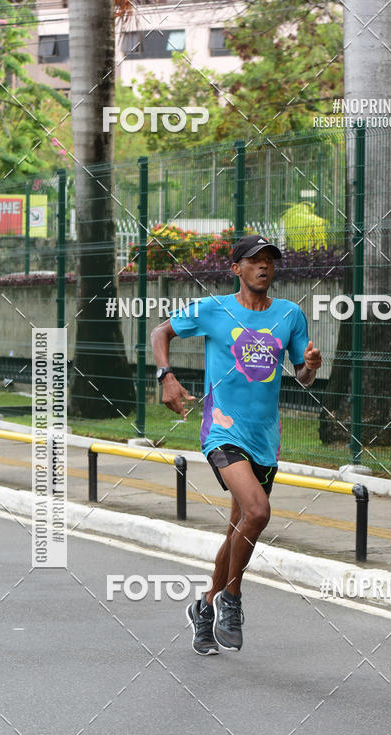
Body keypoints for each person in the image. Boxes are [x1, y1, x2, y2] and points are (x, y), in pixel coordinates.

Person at [151, 234, 322, 655]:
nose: (263, 266)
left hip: (265, 439)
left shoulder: (289, 315)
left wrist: (311, 367)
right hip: (223, 431)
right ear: (236, 269)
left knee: (238, 529)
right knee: (259, 512)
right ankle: (232, 598)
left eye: (269, 260)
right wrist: (166, 376)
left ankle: (205, 606)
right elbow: (161, 331)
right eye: (254, 260)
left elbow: (302, 374)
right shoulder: (214, 309)